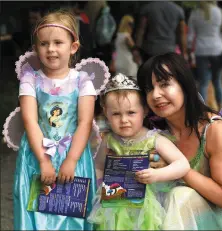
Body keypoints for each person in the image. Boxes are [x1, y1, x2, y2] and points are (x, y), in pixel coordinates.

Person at [136, 52, 222, 230]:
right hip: (170, 218)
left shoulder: (215, 130)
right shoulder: (155, 134)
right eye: (148, 89)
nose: (155, 95)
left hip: (218, 219)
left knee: (179, 195)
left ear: (184, 85)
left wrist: (177, 168)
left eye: (164, 84)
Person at [13, 10, 97, 230]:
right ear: (36, 48)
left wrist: (71, 160)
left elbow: (84, 122)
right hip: (37, 154)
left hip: (73, 153)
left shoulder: (83, 81)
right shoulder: (30, 80)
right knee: (37, 212)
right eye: (43, 44)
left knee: (72, 214)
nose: (50, 49)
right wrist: (43, 161)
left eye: (58, 42)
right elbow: (30, 121)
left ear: (73, 47)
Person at [87, 73, 190, 230]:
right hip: (115, 202)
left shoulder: (153, 139)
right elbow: (99, 166)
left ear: (145, 111)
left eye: (131, 113)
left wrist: (157, 175)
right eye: (116, 114)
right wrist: (100, 184)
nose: (124, 120)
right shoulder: (109, 140)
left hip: (148, 204)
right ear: (106, 113)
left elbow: (182, 164)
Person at [187, 1, 222, 109]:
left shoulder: (195, 13)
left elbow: (190, 35)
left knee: (203, 83)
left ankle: (203, 111)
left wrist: (189, 49)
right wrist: (219, 37)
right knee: (217, 81)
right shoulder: (221, 12)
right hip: (218, 50)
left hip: (201, 50)